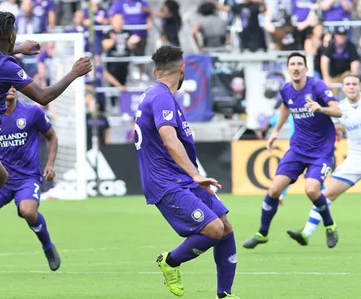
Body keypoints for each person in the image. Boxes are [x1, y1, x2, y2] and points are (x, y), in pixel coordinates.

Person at [0, 11, 91, 299]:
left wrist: (19, 48)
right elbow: (44, 96)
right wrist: (74, 72)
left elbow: (2, 54)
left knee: (3, 176)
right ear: (10, 36)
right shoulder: (6, 66)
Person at [134, 45, 237, 299]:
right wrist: (196, 174)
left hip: (179, 175)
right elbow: (169, 138)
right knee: (213, 229)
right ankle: (170, 261)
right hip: (168, 181)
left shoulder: (156, 94)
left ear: (156, 71)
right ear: (183, 70)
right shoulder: (161, 98)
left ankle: (225, 294)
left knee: (225, 227)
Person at [243, 52, 342, 250]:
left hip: (321, 151)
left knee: (311, 190)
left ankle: (330, 226)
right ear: (288, 69)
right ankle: (262, 233)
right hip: (297, 149)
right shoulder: (286, 90)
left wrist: (320, 109)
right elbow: (285, 108)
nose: (296, 67)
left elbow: (338, 110)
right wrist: (275, 131)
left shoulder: (317, 86)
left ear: (306, 68)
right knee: (274, 189)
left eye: (299, 64)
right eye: (292, 64)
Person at [0, 87, 61, 270]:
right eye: (6, 84)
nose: (11, 88)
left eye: (14, 84)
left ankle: (47, 246)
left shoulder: (32, 112)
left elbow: (51, 137)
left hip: (27, 178)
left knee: (28, 211)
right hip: (2, 180)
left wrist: (50, 164)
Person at [287, 74, 361, 246]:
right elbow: (325, 123)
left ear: (359, 87)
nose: (351, 87)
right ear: (342, 88)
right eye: (348, 84)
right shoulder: (340, 109)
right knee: (326, 194)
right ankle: (306, 233)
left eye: (354, 84)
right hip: (356, 158)